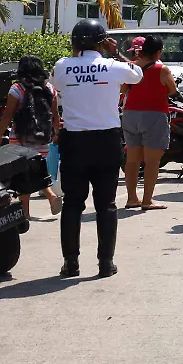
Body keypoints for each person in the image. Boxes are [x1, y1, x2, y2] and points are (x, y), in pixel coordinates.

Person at [53, 19, 143, 277]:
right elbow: (137, 75)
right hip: (106, 141)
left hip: (74, 142)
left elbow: (57, 85)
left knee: (72, 204)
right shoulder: (113, 66)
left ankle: (71, 263)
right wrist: (115, 53)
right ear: (103, 43)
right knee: (106, 204)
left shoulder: (62, 66)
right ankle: (106, 263)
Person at [0, 55, 62, 218]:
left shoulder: (17, 89)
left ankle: (26, 213)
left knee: (22, 175)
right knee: (36, 170)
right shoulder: (50, 88)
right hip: (42, 139)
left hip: (20, 139)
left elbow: (8, 115)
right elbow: (55, 115)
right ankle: (50, 196)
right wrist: (57, 133)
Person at [121, 35, 177, 211]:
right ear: (158, 52)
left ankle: (131, 198)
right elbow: (172, 89)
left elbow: (123, 88)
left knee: (132, 159)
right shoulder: (162, 69)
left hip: (130, 114)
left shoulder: (132, 66)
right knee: (152, 161)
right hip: (154, 114)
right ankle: (147, 200)